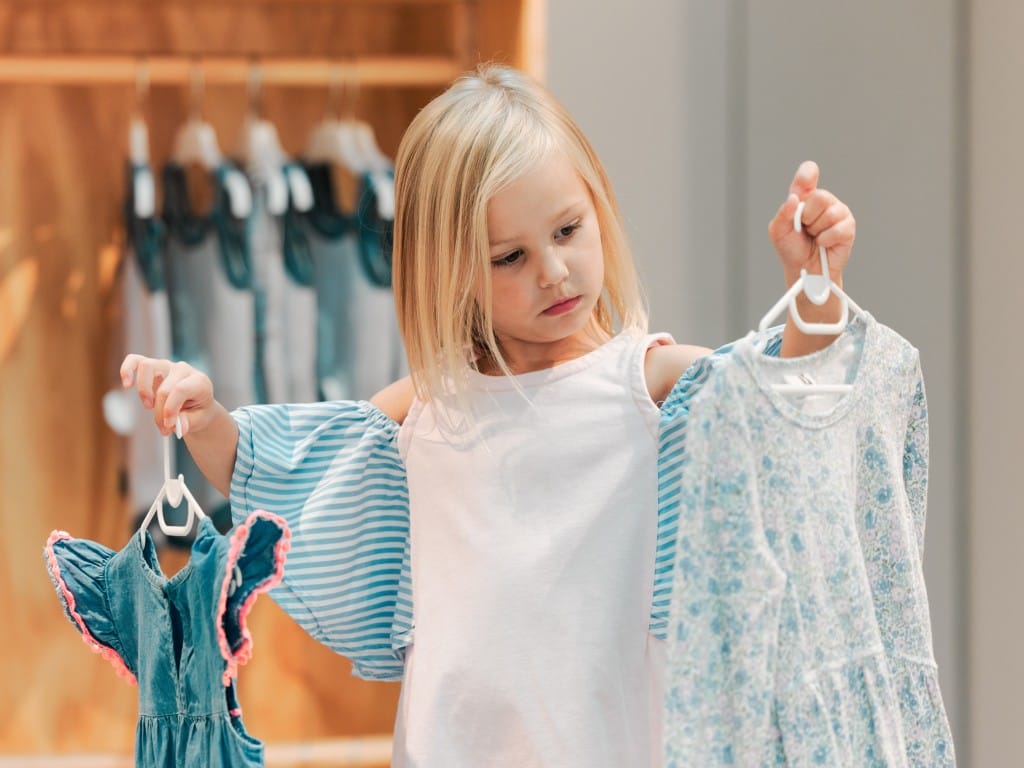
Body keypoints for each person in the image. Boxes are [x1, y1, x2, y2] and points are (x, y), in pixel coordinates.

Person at [120, 64, 856, 767]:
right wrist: (206, 417)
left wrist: (813, 288)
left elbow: (787, 407)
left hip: (612, 743)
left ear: (598, 205)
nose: (553, 270)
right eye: (509, 257)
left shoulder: (651, 383)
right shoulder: (428, 408)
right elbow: (280, 476)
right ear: (451, 272)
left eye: (568, 230)